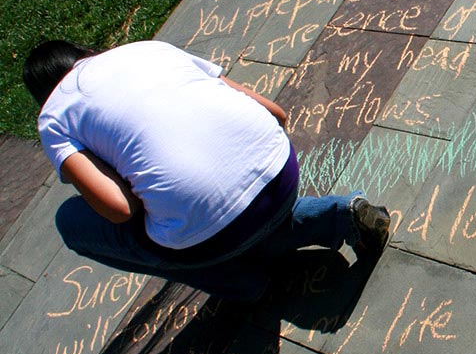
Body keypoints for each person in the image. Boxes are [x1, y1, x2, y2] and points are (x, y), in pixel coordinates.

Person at [23, 39, 390, 301]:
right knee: (229, 214)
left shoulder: (54, 118)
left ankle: (238, 280)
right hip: (281, 173)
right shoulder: (147, 49)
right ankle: (336, 215)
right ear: (86, 53)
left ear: (44, 97)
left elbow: (120, 210)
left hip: (212, 233)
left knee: (72, 221)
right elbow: (275, 114)